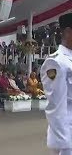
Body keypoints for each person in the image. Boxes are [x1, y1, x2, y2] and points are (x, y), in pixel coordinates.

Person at [40, 13, 72, 155]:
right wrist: (65, 145)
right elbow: (55, 106)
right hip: (68, 133)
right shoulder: (56, 62)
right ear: (68, 32)